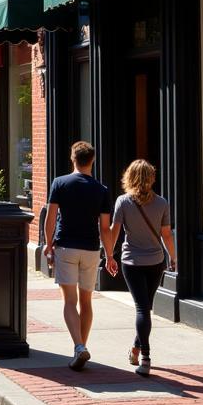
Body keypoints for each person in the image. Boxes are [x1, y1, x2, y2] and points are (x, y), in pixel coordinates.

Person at [43, 141, 115, 371]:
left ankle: (78, 346)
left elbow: (51, 216)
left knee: (69, 302)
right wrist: (110, 254)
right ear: (92, 160)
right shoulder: (101, 190)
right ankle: (81, 347)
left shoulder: (60, 183)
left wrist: (47, 243)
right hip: (91, 249)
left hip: (66, 247)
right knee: (86, 301)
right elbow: (105, 227)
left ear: (72, 159)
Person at [110, 159, 176, 377]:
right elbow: (167, 234)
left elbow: (115, 231)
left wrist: (108, 254)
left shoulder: (123, 202)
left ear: (129, 177)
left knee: (142, 308)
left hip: (132, 262)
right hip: (156, 261)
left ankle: (145, 357)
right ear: (151, 178)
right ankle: (137, 350)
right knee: (145, 308)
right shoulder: (162, 203)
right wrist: (173, 257)